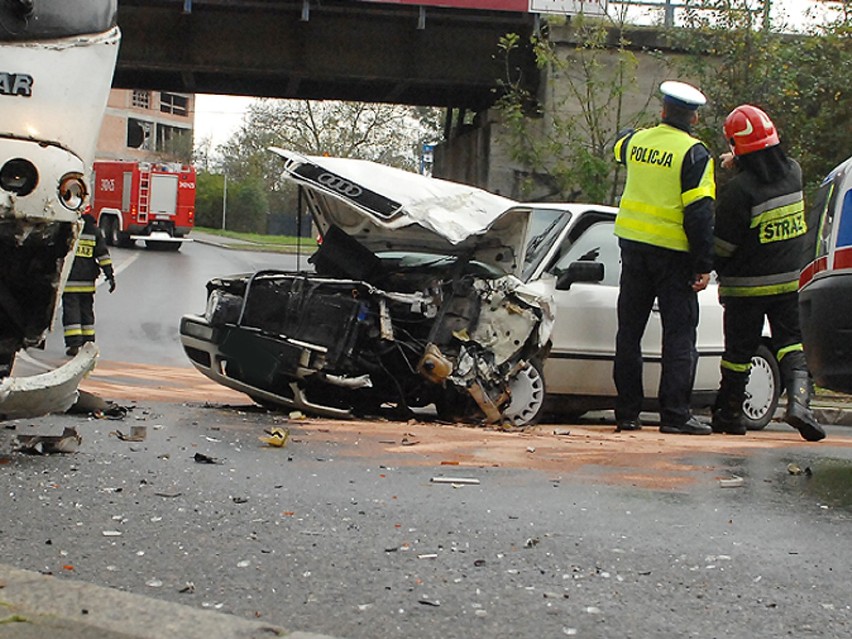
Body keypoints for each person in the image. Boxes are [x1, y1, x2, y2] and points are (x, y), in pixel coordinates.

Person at [711, 105, 825, 441]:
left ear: (737, 147)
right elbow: (766, 168)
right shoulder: (794, 172)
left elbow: (723, 246)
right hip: (789, 281)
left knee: (738, 354)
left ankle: (730, 413)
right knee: (791, 344)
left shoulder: (738, 191)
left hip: (745, 289)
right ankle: (801, 405)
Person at [611, 80, 716, 435]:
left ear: (662, 111)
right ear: (694, 118)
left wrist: (636, 132)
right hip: (674, 257)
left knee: (629, 333)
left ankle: (627, 413)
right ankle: (674, 415)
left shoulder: (636, 142)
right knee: (679, 336)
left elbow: (619, 143)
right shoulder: (695, 154)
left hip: (634, 250)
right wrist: (704, 264)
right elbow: (700, 213)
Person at [62, 207, 116, 356]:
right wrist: (110, 275)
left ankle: (74, 344)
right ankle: (88, 342)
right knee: (86, 311)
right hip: (87, 282)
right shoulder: (94, 232)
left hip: (69, 281)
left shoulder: (68, 228)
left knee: (71, 312)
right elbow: (103, 255)